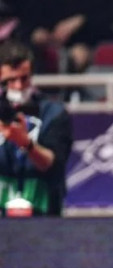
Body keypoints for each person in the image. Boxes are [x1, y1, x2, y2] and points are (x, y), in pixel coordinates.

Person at [0, 40, 72, 217]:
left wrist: (26, 143)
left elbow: (51, 164)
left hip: (44, 212)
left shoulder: (54, 113)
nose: (18, 86)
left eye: (24, 79)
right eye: (10, 80)